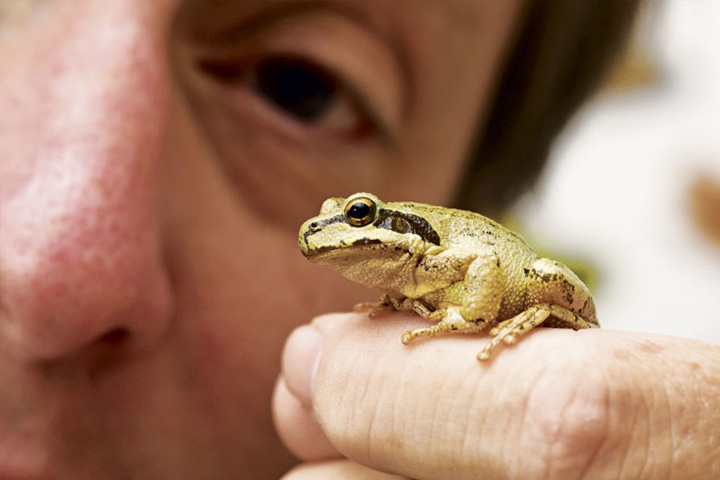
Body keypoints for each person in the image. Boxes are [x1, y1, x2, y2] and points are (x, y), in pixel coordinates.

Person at [5, 1, 714, 479]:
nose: (47, 270)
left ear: (476, 184)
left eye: (297, 88)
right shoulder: (399, 274)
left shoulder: (447, 253)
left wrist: (466, 320)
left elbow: (483, 265)